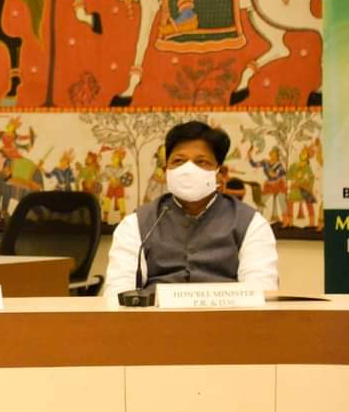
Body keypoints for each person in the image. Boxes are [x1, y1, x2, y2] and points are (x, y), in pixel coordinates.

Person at [104, 121, 278, 299]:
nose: (188, 170)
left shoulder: (251, 223)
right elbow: (117, 295)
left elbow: (261, 294)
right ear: (166, 170)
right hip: (154, 315)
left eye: (201, 162)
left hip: (227, 315)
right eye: (178, 161)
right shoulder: (136, 224)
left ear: (219, 173)